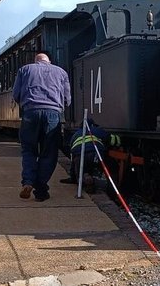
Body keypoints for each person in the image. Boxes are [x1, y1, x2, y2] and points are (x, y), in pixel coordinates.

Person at [12, 52, 71, 202]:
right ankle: (41, 188)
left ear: (35, 61)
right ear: (49, 61)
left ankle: (28, 182)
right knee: (49, 153)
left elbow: (16, 95)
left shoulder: (24, 70)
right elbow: (67, 99)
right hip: (52, 114)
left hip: (30, 112)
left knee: (29, 150)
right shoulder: (61, 72)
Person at [59, 118, 112, 186]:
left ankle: (83, 180)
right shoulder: (96, 129)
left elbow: (72, 155)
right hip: (95, 153)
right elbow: (108, 137)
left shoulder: (76, 134)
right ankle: (94, 178)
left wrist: (73, 177)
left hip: (79, 155)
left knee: (79, 169)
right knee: (96, 167)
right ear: (92, 125)